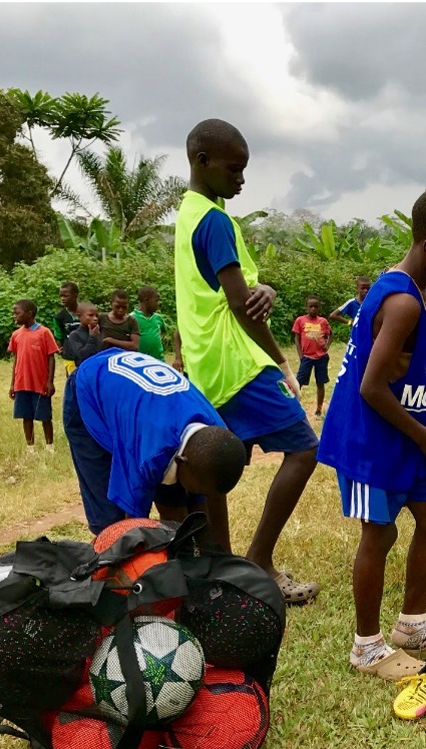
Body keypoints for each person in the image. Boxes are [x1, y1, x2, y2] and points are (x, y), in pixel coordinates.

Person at [317, 185, 426, 681]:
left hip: (410, 431)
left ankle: (412, 627)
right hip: (373, 438)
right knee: (381, 531)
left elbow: (410, 372)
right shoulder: (403, 301)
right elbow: (371, 387)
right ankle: (366, 647)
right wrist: (423, 434)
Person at [174, 118, 320, 604]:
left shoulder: (190, 214)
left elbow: (237, 293)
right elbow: (241, 304)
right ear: (202, 162)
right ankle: (258, 560)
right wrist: (280, 361)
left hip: (207, 366)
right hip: (238, 362)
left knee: (216, 466)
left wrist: (268, 289)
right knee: (303, 449)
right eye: (233, 169)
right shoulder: (215, 221)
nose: (240, 179)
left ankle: (221, 567)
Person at [64, 347, 248, 537]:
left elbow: (208, 502)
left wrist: (222, 558)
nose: (197, 495)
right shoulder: (150, 456)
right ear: (181, 460)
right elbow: (133, 527)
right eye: (194, 490)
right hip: (90, 390)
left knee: (180, 505)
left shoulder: (217, 434)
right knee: (112, 524)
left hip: (142, 405)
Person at [8, 299, 60, 455]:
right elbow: (16, 360)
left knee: (45, 416)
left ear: (29, 314)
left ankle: (49, 446)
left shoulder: (44, 333)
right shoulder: (16, 335)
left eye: (17, 313)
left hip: (40, 383)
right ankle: (30, 448)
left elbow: (51, 357)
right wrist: (12, 384)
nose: (14, 316)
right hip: (22, 383)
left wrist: (50, 382)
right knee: (26, 416)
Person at [292, 295, 332, 417]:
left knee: (320, 383)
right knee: (299, 382)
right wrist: (301, 355)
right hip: (307, 357)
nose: (313, 309)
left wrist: (327, 345)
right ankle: (293, 406)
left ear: (319, 308)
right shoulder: (300, 320)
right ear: (306, 307)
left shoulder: (323, 321)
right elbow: (297, 338)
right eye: (311, 306)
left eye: (316, 306)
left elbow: (330, 334)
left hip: (321, 357)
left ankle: (319, 408)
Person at [133, 286, 173, 360]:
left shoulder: (158, 318)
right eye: (156, 301)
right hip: (139, 360)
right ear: (146, 300)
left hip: (158, 359)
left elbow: (163, 331)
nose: (158, 304)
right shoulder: (132, 318)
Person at [53, 282, 82, 377]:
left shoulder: (87, 311)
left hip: (87, 354)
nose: (62, 298)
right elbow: (58, 335)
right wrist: (60, 348)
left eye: (66, 296)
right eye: (61, 296)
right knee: (73, 381)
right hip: (70, 356)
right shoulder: (59, 317)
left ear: (75, 295)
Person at [62, 302, 103, 367]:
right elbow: (82, 356)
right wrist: (92, 338)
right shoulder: (75, 335)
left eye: (96, 315)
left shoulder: (98, 332)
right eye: (91, 315)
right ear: (79, 316)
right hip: (84, 371)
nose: (95, 318)